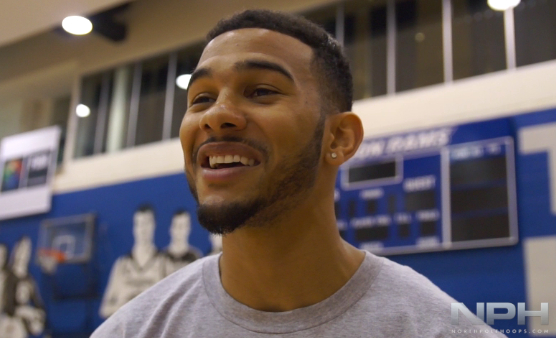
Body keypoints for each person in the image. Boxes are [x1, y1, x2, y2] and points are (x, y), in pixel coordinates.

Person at [92, 10, 505, 337]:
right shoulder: (133, 329)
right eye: (201, 98)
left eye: (261, 91)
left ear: (340, 138)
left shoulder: (433, 328)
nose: (216, 115)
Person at [99, 205, 166, 318]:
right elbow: (105, 309)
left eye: (146, 223)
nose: (143, 229)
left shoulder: (164, 262)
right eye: (139, 224)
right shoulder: (122, 264)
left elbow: (172, 306)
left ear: (154, 225)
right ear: (134, 228)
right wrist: (125, 306)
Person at [163, 210, 202, 276]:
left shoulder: (195, 257)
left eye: (183, 226)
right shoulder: (162, 257)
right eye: (177, 225)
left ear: (189, 228)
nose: (180, 230)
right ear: (171, 228)